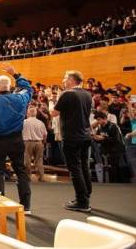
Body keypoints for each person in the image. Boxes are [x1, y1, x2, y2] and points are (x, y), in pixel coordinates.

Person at [0, 64, 33, 214]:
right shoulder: (21, 98)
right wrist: (15, 74)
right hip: (17, 139)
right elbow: (29, 89)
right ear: (10, 86)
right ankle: (26, 205)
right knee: (20, 171)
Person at [52, 70, 93, 212]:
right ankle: (86, 195)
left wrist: (55, 99)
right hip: (85, 135)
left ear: (71, 79)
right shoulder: (87, 94)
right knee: (84, 167)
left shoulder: (67, 94)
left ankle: (82, 201)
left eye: (65, 78)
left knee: (74, 168)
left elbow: (54, 113)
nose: (63, 81)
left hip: (72, 136)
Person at [92, 111, 127, 183]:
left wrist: (104, 138)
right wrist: (95, 138)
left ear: (105, 118)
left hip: (116, 150)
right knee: (108, 169)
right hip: (107, 150)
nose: (98, 121)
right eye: (97, 120)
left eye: (99, 119)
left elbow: (116, 140)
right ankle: (109, 183)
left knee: (115, 169)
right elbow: (99, 138)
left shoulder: (113, 126)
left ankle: (116, 184)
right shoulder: (100, 127)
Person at [23, 106, 47, 182]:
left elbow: (20, 133)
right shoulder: (41, 123)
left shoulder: (24, 122)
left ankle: (27, 176)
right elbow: (45, 135)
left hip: (28, 142)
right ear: (36, 114)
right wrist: (43, 142)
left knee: (27, 160)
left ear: (28, 113)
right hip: (39, 142)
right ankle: (41, 177)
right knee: (39, 160)